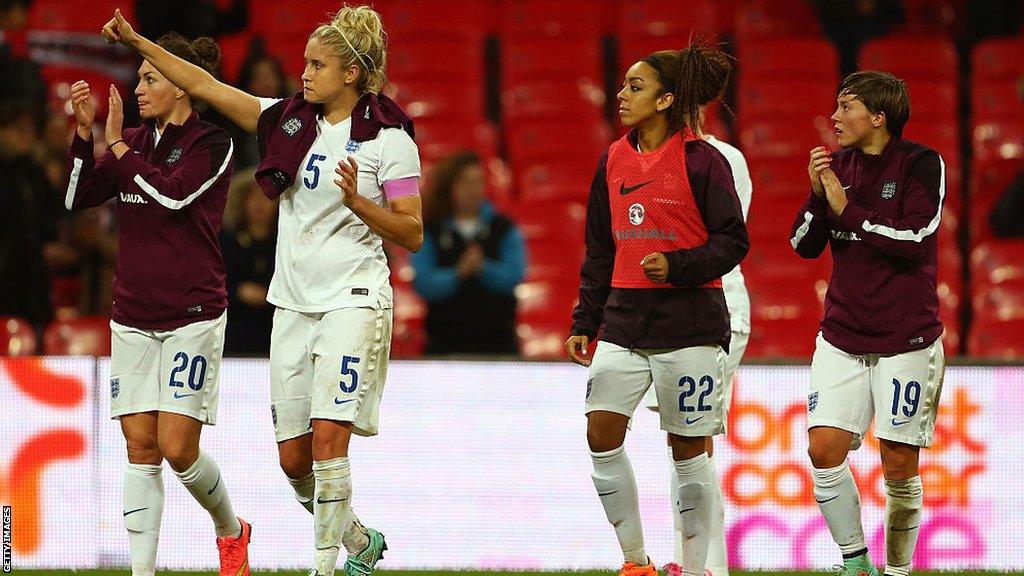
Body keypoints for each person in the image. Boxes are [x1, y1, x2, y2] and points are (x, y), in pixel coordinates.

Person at [102, 5, 423, 575]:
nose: (304, 73)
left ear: (351, 72)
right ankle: (357, 543)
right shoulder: (285, 120)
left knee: (328, 443)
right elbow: (201, 83)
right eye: (304, 62)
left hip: (353, 300)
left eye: (317, 65)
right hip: (293, 303)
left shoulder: (389, 139)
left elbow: (413, 230)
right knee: (294, 460)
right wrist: (136, 41)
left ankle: (324, 569)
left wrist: (359, 204)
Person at [63, 33, 250, 576]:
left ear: (182, 85)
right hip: (133, 315)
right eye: (140, 77)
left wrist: (118, 147)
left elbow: (171, 196)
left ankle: (230, 528)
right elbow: (76, 197)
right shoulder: (136, 141)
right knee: (139, 445)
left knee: (177, 447)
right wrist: (84, 137)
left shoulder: (214, 145)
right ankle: (141, 572)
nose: (138, 87)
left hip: (192, 314)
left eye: (150, 78)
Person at [565, 42, 749, 576]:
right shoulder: (612, 158)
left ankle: (692, 569)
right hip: (623, 322)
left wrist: (679, 265)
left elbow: (733, 241)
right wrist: (585, 321)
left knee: (688, 449)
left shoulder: (703, 161)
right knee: (601, 433)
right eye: (623, 85)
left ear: (667, 99)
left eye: (636, 87)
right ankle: (635, 562)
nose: (621, 95)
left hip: (690, 325)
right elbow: (600, 248)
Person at [791, 70, 946, 576]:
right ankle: (856, 563)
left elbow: (916, 237)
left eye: (846, 107)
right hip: (842, 335)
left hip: (907, 339)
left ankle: (897, 572)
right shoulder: (836, 167)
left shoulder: (922, 165)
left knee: (899, 466)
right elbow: (801, 245)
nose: (834, 117)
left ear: (878, 117)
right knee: (823, 449)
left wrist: (847, 210)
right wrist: (818, 195)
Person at [640, 119, 751, 576]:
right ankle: (696, 563)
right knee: (684, 440)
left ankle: (703, 566)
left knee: (691, 439)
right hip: (673, 311)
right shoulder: (645, 158)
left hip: (711, 306)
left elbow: (710, 239)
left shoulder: (718, 158)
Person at [411, 151, 526, 355]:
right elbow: (424, 283)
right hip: (444, 346)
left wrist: (483, 268)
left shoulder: (503, 228)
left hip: (498, 345)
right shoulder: (431, 229)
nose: (473, 190)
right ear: (450, 187)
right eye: (466, 183)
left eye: (478, 182)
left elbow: (514, 276)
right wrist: (458, 273)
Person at [220, 168, 277, 355]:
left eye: (266, 197)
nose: (259, 205)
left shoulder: (285, 244)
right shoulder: (227, 241)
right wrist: (238, 292)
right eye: (253, 197)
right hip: (234, 335)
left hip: (274, 334)